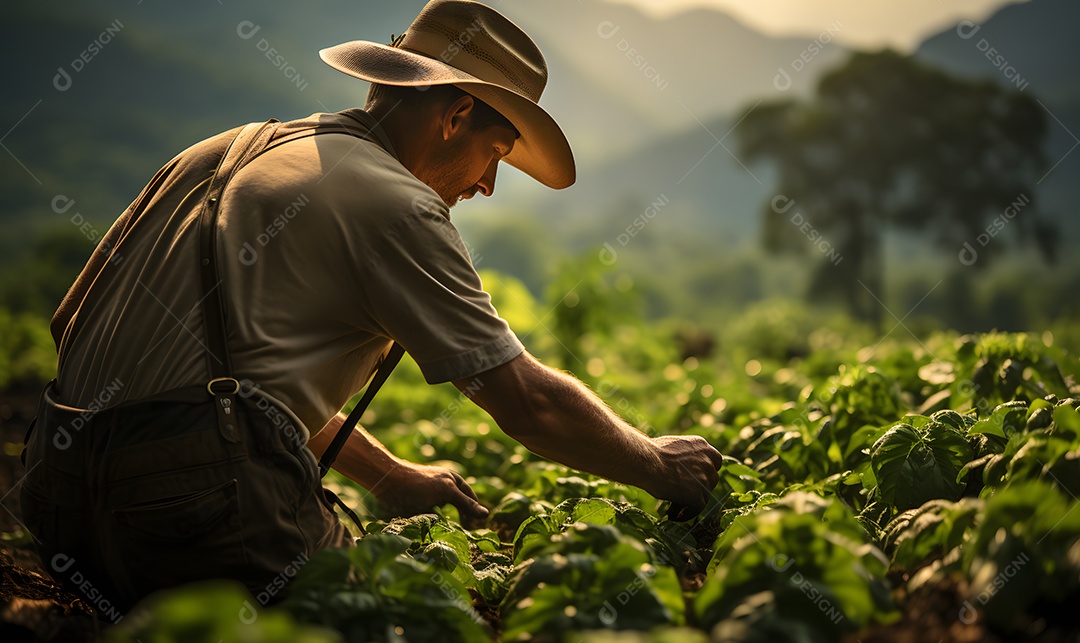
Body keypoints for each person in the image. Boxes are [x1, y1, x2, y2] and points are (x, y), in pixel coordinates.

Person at [21, 0, 724, 614]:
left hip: (56, 499)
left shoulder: (221, 151)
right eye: (496, 156)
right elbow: (523, 399)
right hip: (192, 514)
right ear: (454, 117)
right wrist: (661, 466)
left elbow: (211, 371)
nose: (485, 187)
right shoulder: (396, 204)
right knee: (400, 610)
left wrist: (390, 474)